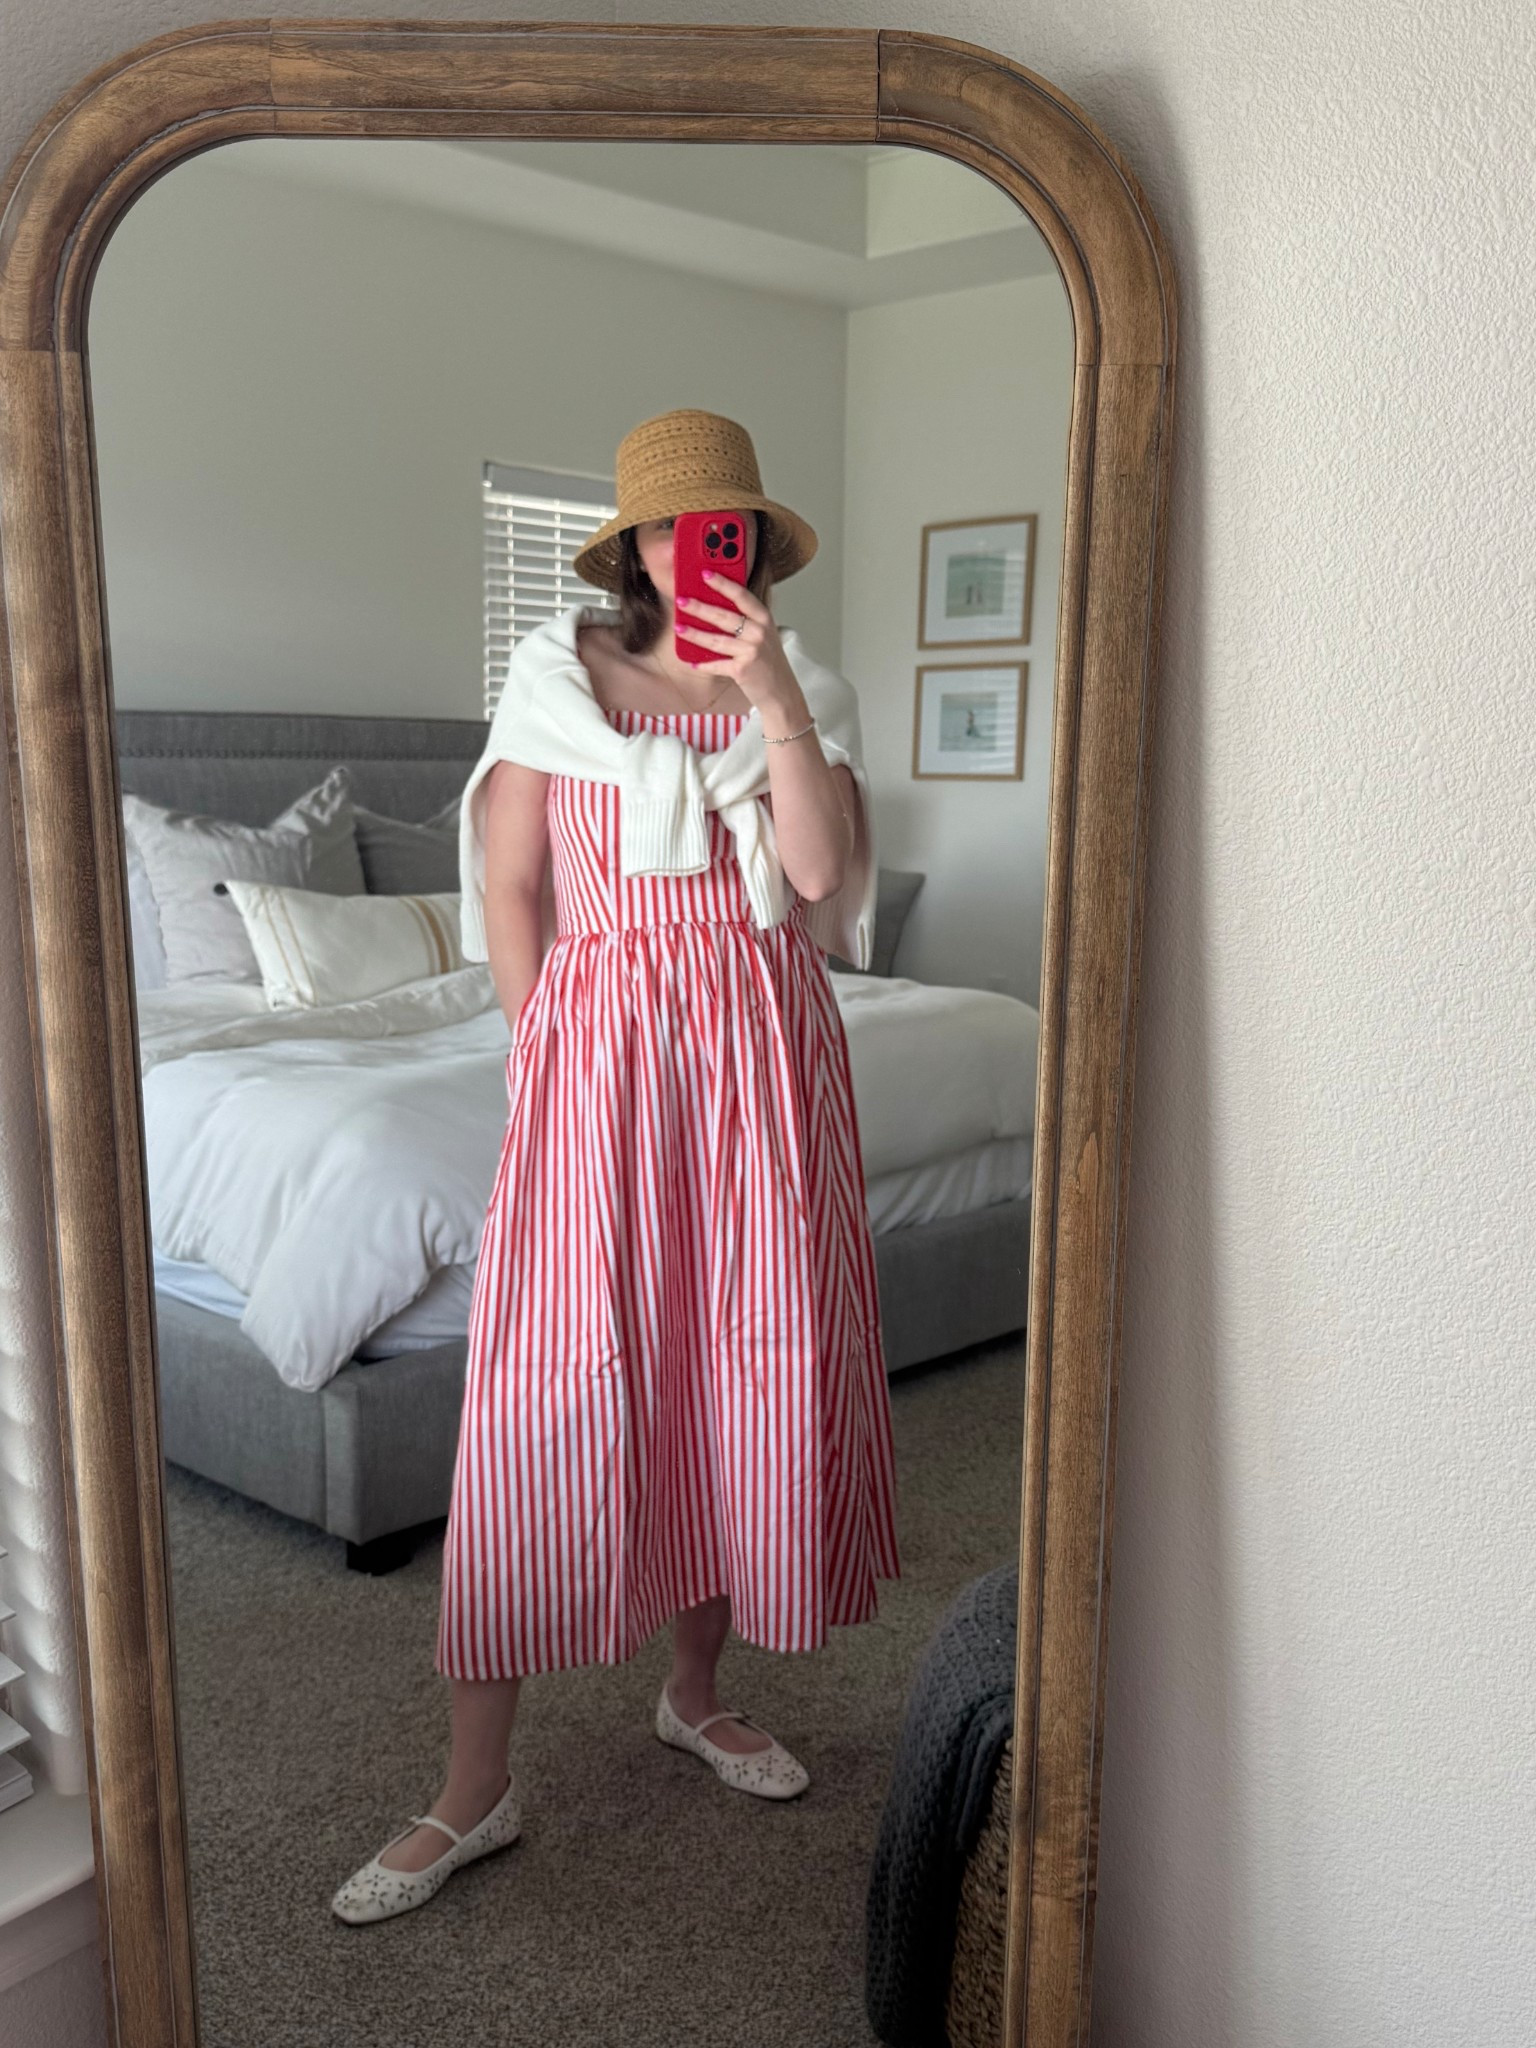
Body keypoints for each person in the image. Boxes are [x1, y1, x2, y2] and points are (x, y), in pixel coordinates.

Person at [332, 408, 901, 1925]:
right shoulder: (553, 684)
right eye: (668, 526)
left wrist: (769, 686)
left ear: (757, 548)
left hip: (765, 1066)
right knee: (542, 1393)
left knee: (738, 1372)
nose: (693, 548)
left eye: (723, 527)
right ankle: (473, 1785)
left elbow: (825, 875)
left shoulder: (805, 689)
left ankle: (694, 1691)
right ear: (631, 547)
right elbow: (512, 884)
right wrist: (545, 1059)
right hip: (598, 1062)